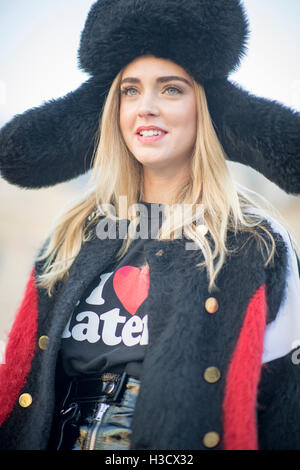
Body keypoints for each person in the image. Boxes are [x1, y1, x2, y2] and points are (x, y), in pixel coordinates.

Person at [0, 0, 300, 451]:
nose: (147, 108)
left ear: (205, 106)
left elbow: (286, 406)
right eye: (131, 90)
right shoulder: (69, 237)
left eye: (172, 89)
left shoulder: (257, 245)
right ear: (114, 109)